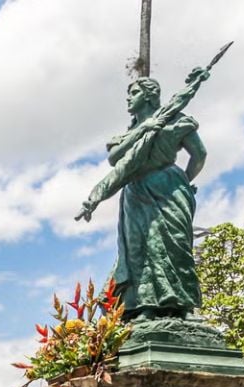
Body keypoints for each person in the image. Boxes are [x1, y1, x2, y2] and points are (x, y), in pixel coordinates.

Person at [78, 74, 208, 321]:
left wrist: (183, 182)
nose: (128, 98)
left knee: (176, 247)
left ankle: (183, 307)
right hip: (137, 193)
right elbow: (115, 160)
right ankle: (143, 306)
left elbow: (199, 155)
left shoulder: (176, 121)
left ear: (150, 96)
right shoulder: (130, 133)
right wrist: (144, 129)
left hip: (170, 190)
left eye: (134, 93)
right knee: (140, 249)